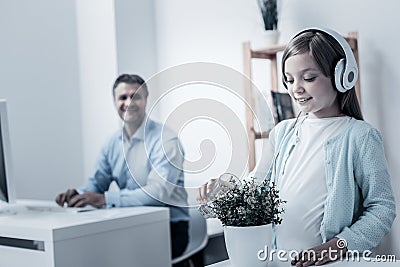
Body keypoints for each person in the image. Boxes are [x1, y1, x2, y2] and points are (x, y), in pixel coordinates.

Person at [198, 28, 396, 266]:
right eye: (289, 80)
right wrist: (223, 188)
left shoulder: (360, 136)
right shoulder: (282, 133)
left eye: (309, 78)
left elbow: (382, 208)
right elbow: (257, 186)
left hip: (334, 262)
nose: (296, 88)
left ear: (342, 76)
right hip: (278, 259)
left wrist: (335, 247)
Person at [56, 74, 190, 266]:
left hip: (169, 227)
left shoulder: (166, 140)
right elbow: (98, 181)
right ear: (114, 102)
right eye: (123, 97)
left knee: (115, 258)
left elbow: (157, 193)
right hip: (129, 224)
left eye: (136, 96)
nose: (129, 102)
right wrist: (79, 194)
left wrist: (105, 199)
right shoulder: (112, 142)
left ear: (146, 100)